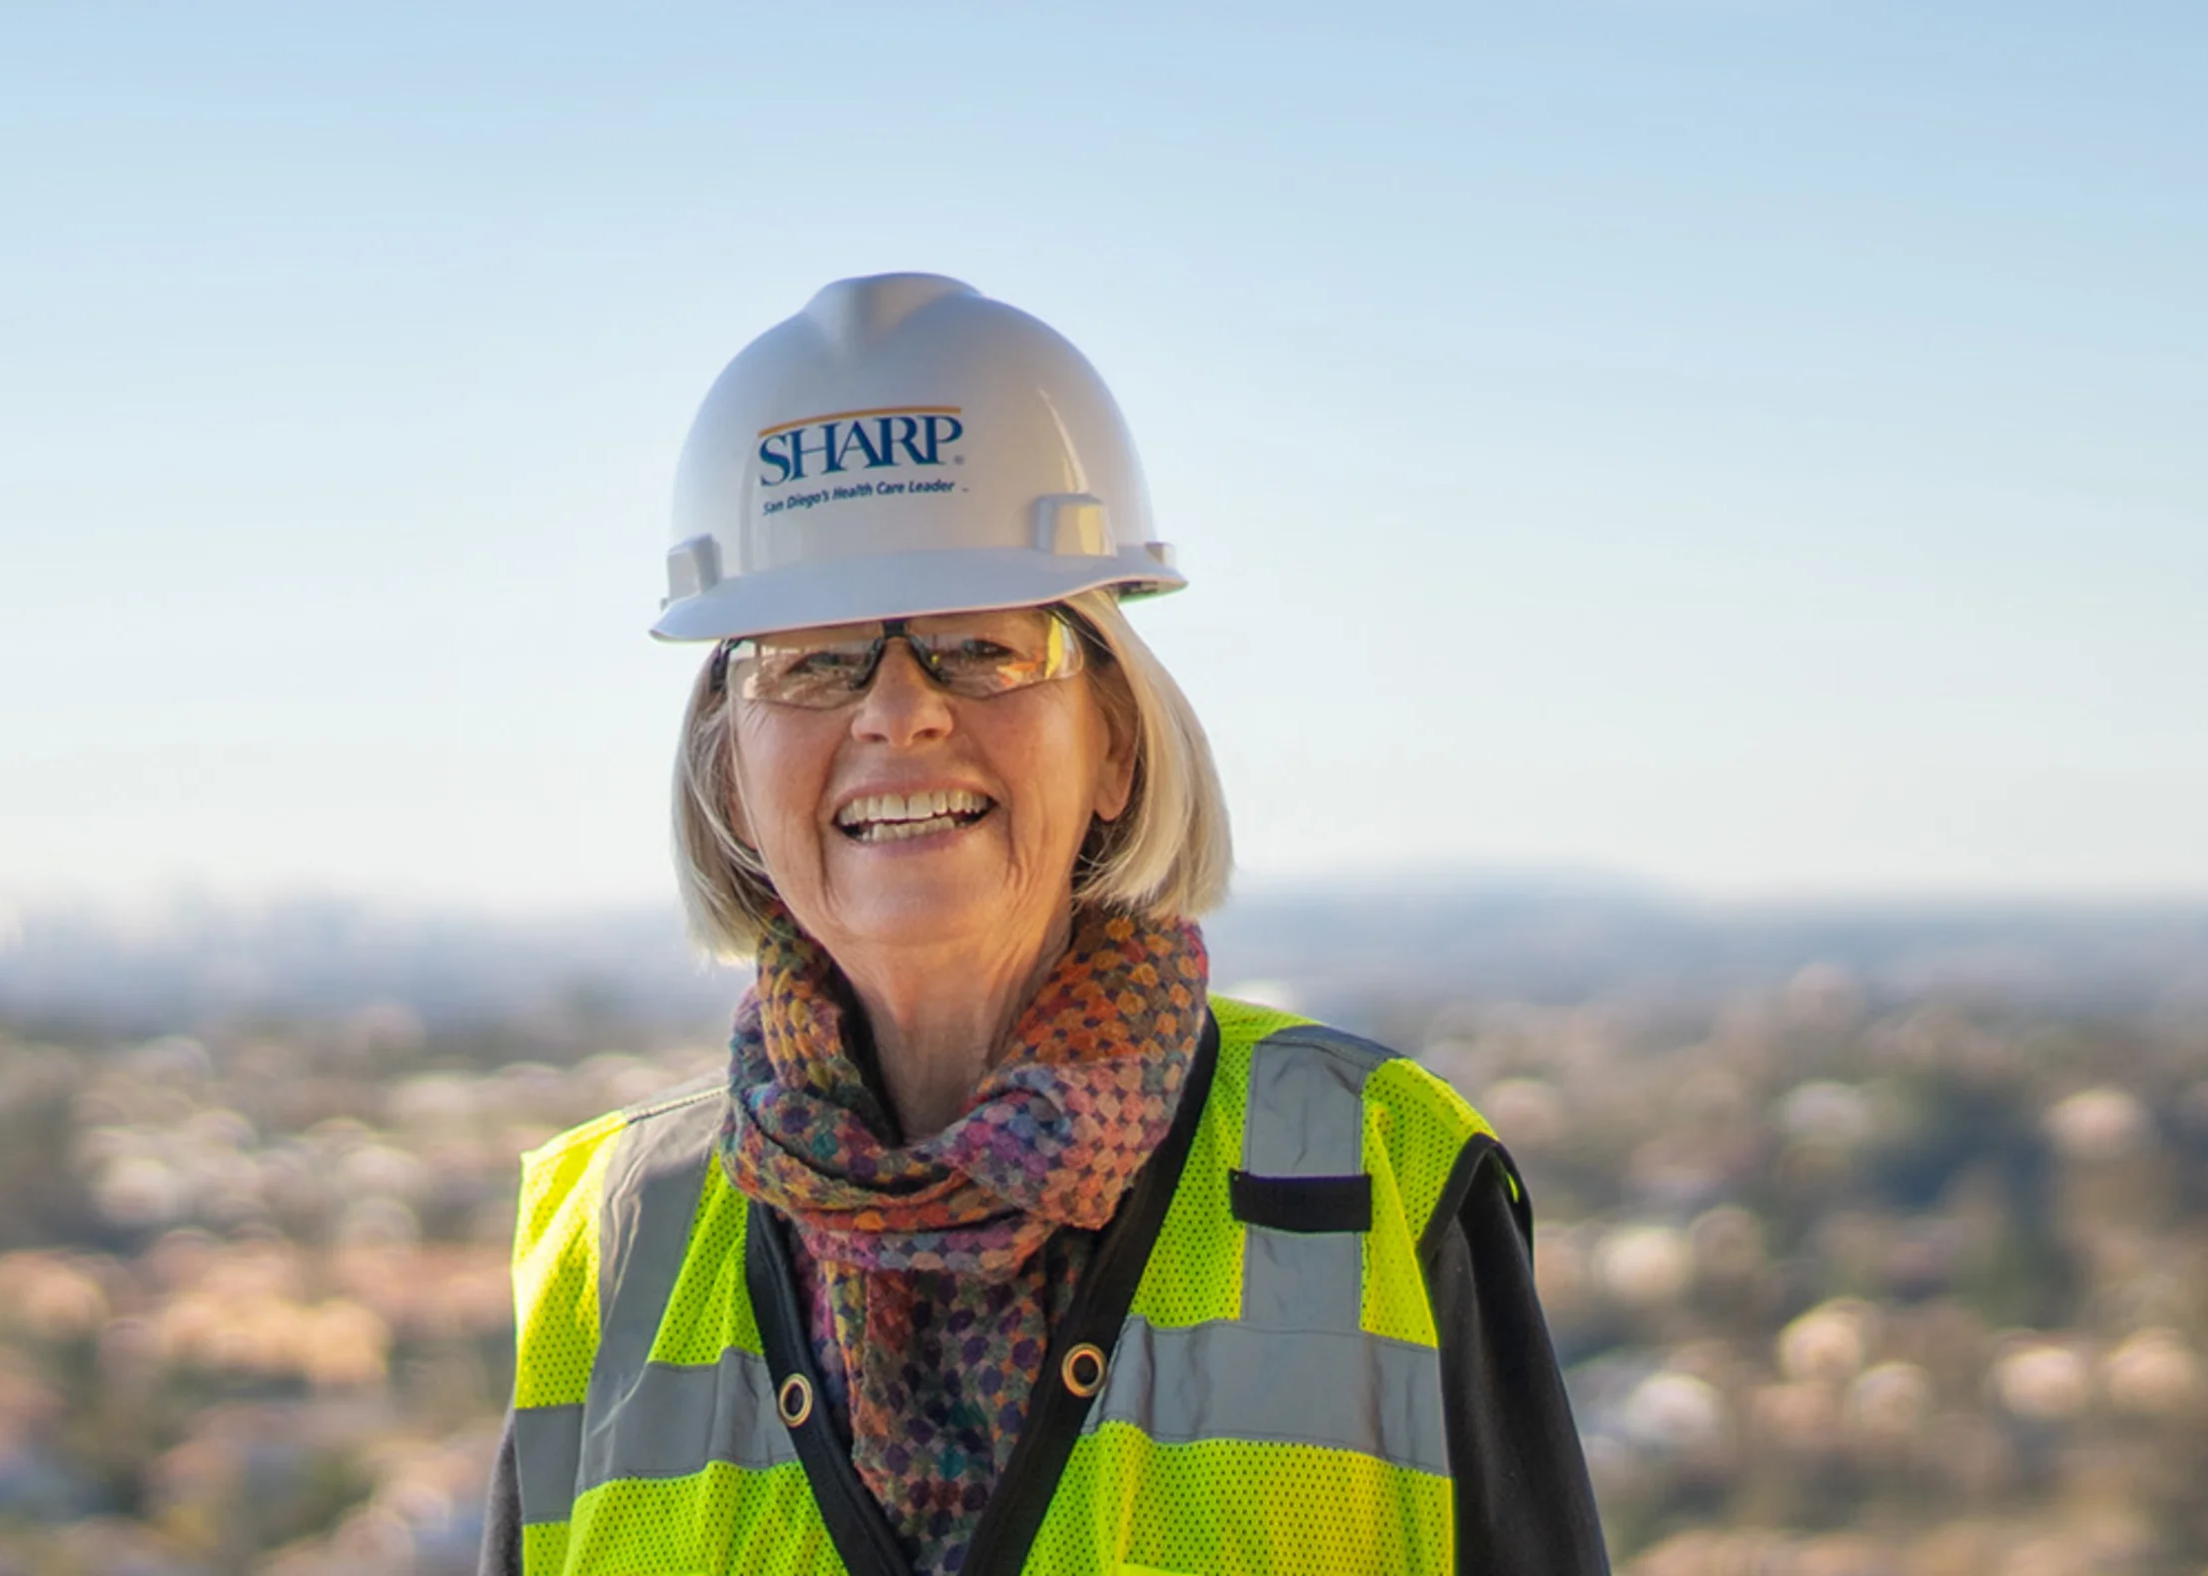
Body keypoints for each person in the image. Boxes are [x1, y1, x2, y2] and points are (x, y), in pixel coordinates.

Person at [482, 274, 1605, 1576]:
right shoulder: (611, 1245)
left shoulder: (1379, 1186)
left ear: (1116, 742)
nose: (897, 712)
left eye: (978, 646)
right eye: (812, 660)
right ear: (731, 770)